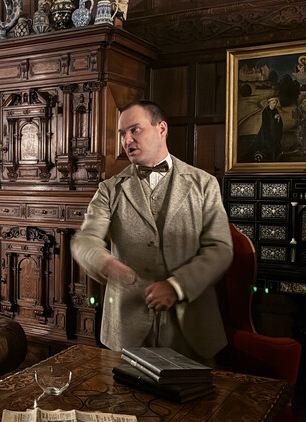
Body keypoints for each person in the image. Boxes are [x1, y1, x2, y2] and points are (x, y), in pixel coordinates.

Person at [71, 100, 233, 365]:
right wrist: (106, 263)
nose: (127, 140)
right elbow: (84, 241)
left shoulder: (204, 184)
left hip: (191, 329)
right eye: (122, 133)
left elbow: (220, 249)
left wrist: (177, 286)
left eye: (135, 130)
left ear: (162, 129)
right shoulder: (109, 189)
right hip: (126, 330)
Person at [248, 96, 283, 162]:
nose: (275, 104)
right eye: (273, 103)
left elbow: (279, 121)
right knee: (266, 144)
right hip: (266, 131)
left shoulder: (275, 110)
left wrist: (278, 119)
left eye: (275, 103)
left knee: (276, 143)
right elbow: (266, 123)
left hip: (274, 131)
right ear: (269, 103)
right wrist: (274, 118)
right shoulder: (265, 111)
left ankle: (275, 155)